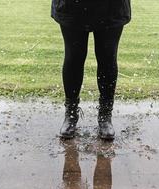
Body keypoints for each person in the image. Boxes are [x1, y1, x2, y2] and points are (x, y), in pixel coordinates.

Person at [51, 0, 131, 140]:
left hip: (111, 7)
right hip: (72, 6)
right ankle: (71, 113)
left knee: (108, 57)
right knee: (73, 56)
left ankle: (105, 116)